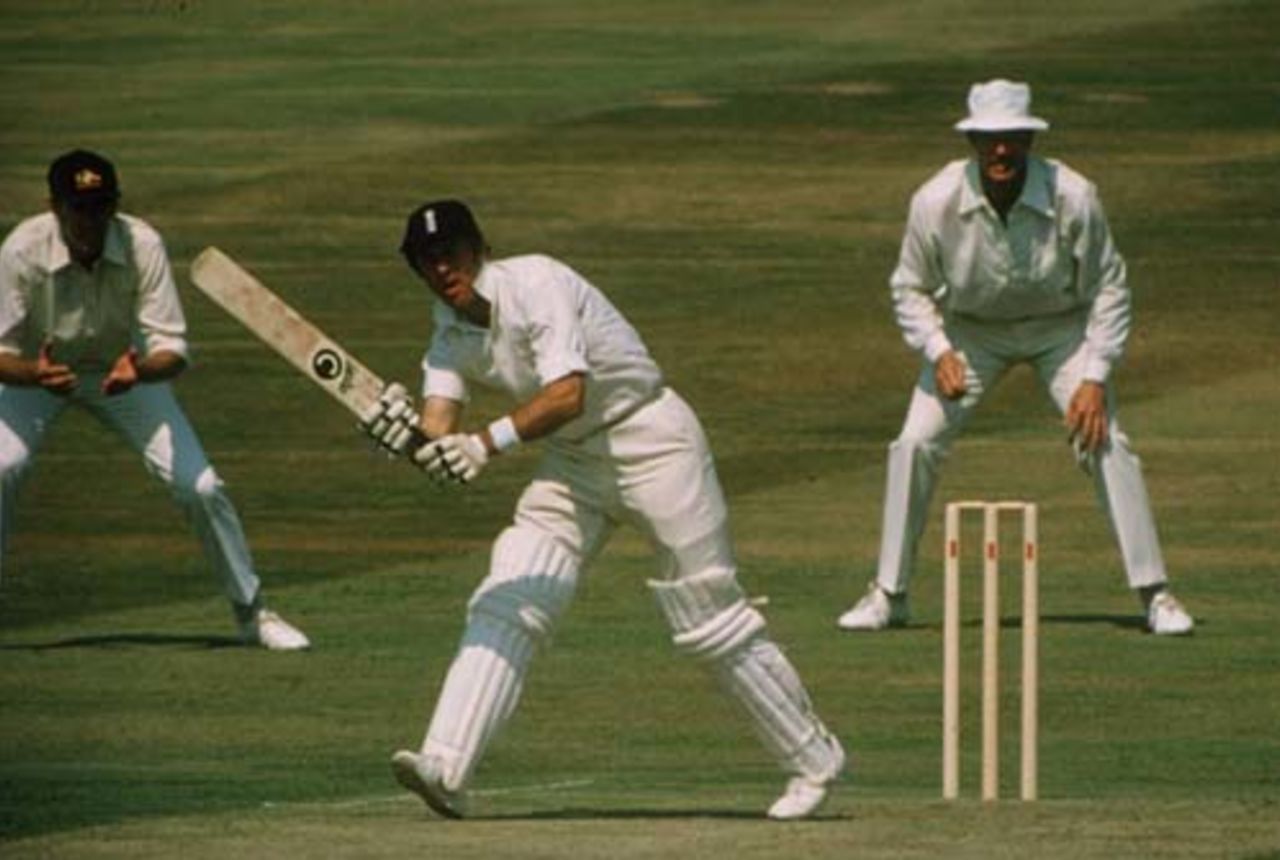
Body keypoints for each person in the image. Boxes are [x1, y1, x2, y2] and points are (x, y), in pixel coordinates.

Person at [361, 199, 845, 820]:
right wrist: (400, 434)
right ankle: (446, 767)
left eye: (449, 252)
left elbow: (567, 394)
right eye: (426, 260)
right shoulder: (448, 330)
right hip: (573, 463)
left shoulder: (537, 282)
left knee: (707, 615)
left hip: (651, 438)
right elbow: (438, 433)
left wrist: (484, 443)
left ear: (477, 248)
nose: (441, 268)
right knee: (511, 589)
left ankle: (813, 760)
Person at [836, 80, 1194, 637]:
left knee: (1107, 443)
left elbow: (1109, 286)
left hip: (1062, 332)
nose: (1001, 150)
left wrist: (1095, 375)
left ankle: (1156, 595)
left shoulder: (1074, 194)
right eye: (989, 139)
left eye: (1012, 138)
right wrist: (939, 348)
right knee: (913, 443)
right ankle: (889, 594)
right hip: (970, 335)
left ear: (1029, 139)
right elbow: (908, 287)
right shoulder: (934, 201)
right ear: (973, 142)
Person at [0, 149, 309, 651]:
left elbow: (174, 350)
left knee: (202, 487)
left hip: (125, 373)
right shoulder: (21, 249)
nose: (89, 220)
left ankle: (253, 613)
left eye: (100, 207)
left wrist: (138, 370)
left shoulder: (143, 243)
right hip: (40, 373)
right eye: (78, 208)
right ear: (54, 207)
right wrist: (34, 373)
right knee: (1, 465)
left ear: (114, 207)